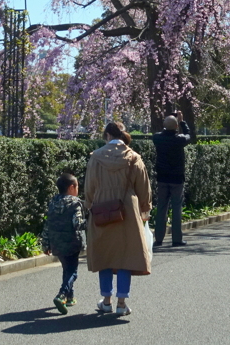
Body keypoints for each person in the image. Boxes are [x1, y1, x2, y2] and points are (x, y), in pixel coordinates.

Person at [84, 121, 152, 316]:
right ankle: (122, 302)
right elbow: (144, 187)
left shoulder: (96, 157)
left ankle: (106, 300)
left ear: (106, 136)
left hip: (101, 208)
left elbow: (89, 186)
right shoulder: (133, 157)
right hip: (128, 209)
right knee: (125, 255)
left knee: (105, 255)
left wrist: (89, 205)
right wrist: (145, 209)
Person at [40, 173, 86, 314]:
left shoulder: (53, 201)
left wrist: (45, 243)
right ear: (72, 187)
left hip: (56, 242)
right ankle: (61, 295)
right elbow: (77, 224)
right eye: (77, 186)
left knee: (66, 268)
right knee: (73, 272)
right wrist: (91, 222)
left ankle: (70, 297)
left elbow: (48, 224)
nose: (78, 189)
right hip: (72, 242)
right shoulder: (75, 203)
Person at [151, 111, 192, 247]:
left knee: (162, 207)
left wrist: (170, 122)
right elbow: (188, 134)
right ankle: (176, 239)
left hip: (162, 177)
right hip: (177, 178)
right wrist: (181, 121)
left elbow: (164, 130)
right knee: (176, 208)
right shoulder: (179, 139)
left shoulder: (157, 138)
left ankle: (159, 238)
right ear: (175, 127)